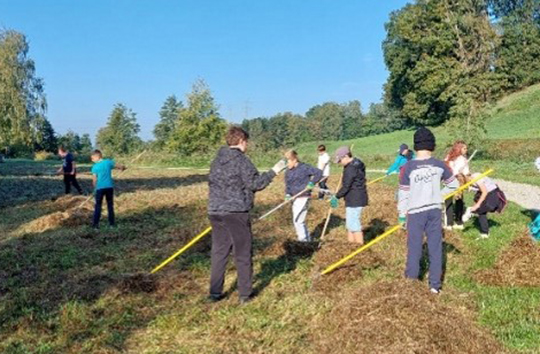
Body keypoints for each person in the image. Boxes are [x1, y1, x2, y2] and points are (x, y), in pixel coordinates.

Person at [207, 126, 286, 304]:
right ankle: (245, 294)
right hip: (236, 212)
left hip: (215, 211)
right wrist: (274, 171)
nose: (247, 145)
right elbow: (255, 184)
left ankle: (214, 292)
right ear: (242, 141)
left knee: (219, 252)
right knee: (242, 252)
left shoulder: (216, 160)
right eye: (247, 142)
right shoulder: (242, 160)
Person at [398, 128, 459, 294]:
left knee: (415, 248)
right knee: (435, 248)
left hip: (415, 213)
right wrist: (440, 195)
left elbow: (403, 193)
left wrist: (402, 216)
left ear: (416, 146)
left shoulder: (408, 167)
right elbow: (454, 185)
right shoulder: (440, 165)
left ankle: (411, 284)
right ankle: (434, 286)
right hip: (434, 211)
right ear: (432, 145)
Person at [331, 146, 368, 244]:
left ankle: (359, 247)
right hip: (355, 197)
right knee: (350, 224)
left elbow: (346, 186)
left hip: (355, 198)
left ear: (346, 156)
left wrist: (336, 196)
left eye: (340, 160)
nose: (339, 163)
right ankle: (350, 245)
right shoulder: (357, 163)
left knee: (354, 225)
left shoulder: (350, 169)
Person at [284, 150, 323, 242]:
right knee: (298, 220)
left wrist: (312, 183)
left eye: (288, 161)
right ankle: (307, 239)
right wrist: (287, 194)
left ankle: (303, 241)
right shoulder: (288, 172)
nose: (287, 164)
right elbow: (288, 185)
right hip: (294, 198)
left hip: (303, 196)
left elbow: (319, 173)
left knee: (298, 220)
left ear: (294, 160)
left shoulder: (304, 168)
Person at [462, 173, 507, 239]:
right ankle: (484, 233)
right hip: (486, 193)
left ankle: (471, 211)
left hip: (492, 193)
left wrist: (477, 205)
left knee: (489, 207)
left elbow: (484, 191)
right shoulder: (470, 181)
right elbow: (479, 189)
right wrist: (472, 188)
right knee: (481, 212)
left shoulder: (476, 177)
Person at [90, 150, 126, 229]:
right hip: (109, 187)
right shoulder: (108, 162)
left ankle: (95, 225)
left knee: (98, 206)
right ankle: (111, 224)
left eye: (92, 158)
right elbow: (119, 166)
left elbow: (94, 180)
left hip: (100, 188)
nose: (92, 160)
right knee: (110, 206)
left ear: (97, 157)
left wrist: (94, 188)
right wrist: (123, 168)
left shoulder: (95, 167)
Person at [443, 141, 471, 231]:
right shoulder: (460, 159)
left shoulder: (449, 157)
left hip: (450, 180)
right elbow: (466, 173)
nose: (466, 150)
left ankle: (449, 224)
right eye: (464, 148)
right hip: (455, 180)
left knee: (450, 201)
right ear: (459, 148)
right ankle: (458, 222)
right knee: (458, 201)